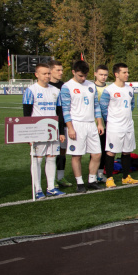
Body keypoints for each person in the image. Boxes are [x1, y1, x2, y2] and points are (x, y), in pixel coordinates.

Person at [60, 60, 104, 193]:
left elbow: (96, 105)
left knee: (96, 154)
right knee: (77, 155)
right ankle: (80, 183)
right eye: (80, 75)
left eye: (85, 75)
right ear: (73, 72)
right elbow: (65, 109)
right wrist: (70, 127)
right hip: (76, 124)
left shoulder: (91, 86)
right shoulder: (67, 87)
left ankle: (91, 180)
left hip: (91, 124)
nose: (83, 78)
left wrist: (99, 123)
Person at [22, 62, 65, 198]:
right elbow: (26, 114)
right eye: (44, 73)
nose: (47, 76)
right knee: (37, 159)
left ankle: (51, 188)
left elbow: (59, 112)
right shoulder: (31, 91)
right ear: (37, 75)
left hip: (52, 130)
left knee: (51, 157)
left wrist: (61, 132)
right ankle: (38, 189)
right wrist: (29, 135)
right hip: (37, 130)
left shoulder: (56, 91)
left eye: (48, 73)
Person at [99, 63, 138, 186]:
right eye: (124, 72)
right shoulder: (109, 90)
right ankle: (110, 178)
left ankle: (126, 177)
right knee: (111, 152)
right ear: (116, 74)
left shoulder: (129, 89)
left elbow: (132, 105)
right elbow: (103, 107)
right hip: (114, 126)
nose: (127, 74)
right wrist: (111, 120)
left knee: (126, 151)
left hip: (128, 125)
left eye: (127, 72)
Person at [49, 60, 72, 188]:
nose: (61, 72)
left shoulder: (64, 86)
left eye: (62, 70)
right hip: (49, 125)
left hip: (63, 125)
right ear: (51, 70)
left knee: (62, 152)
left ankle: (60, 177)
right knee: (50, 153)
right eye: (58, 70)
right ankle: (51, 181)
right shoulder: (46, 86)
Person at [93, 64, 109, 182]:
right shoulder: (91, 88)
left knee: (103, 150)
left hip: (106, 124)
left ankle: (99, 174)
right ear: (95, 74)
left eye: (105, 75)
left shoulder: (109, 89)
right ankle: (92, 174)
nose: (103, 77)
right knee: (94, 151)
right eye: (101, 74)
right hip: (91, 124)